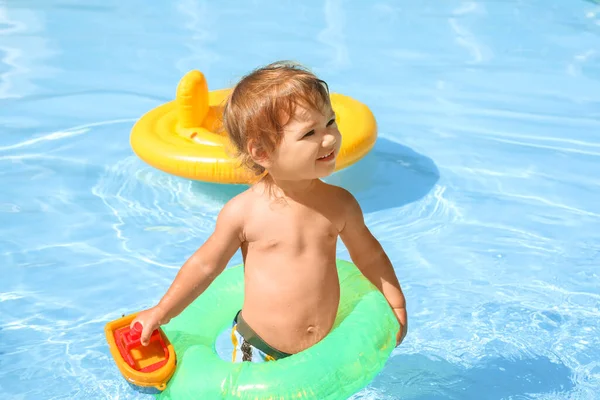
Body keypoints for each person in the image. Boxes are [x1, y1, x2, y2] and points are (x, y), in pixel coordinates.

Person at [131, 61, 407, 363]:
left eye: (330, 122)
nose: (329, 138)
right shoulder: (244, 213)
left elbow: (369, 255)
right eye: (309, 133)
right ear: (262, 153)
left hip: (322, 350)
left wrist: (395, 304)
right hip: (260, 349)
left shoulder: (341, 204)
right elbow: (205, 266)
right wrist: (161, 312)